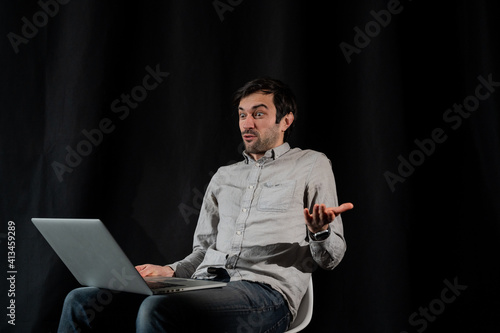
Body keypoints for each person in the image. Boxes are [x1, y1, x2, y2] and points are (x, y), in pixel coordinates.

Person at [58, 77, 353, 332]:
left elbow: (331, 259)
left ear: (286, 120)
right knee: (82, 301)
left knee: (157, 310)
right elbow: (203, 250)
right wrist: (170, 270)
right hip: (205, 285)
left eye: (259, 114)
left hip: (265, 294)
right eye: (242, 115)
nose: (247, 124)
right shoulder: (225, 177)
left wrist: (319, 232)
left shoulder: (312, 164)